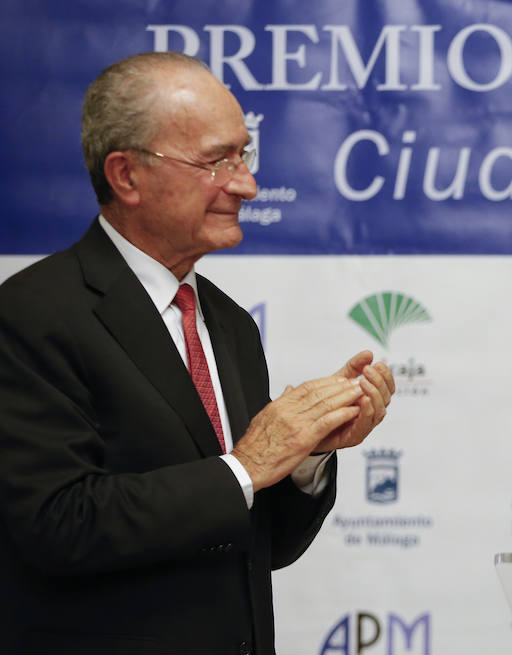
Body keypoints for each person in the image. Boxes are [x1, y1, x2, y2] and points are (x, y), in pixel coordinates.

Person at [0, 51, 395, 655]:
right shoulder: (33, 314)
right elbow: (58, 525)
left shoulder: (229, 323)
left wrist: (306, 456)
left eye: (244, 154)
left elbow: (264, 544)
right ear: (127, 175)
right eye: (217, 161)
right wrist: (246, 466)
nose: (247, 183)